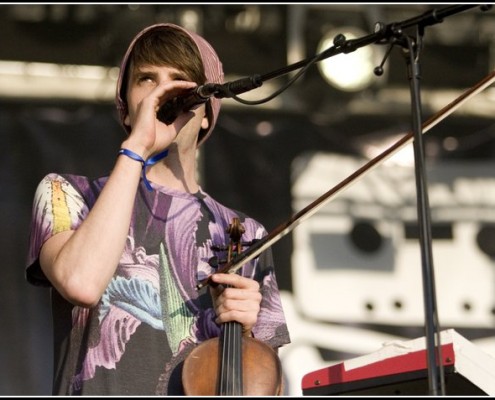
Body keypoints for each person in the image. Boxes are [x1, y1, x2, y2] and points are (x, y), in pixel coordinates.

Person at [25, 22, 291, 395]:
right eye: (147, 79)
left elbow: (270, 388)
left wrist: (247, 333)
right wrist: (137, 148)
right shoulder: (67, 193)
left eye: (180, 80)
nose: (163, 94)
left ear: (207, 112)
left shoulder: (247, 234)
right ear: (126, 108)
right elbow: (81, 283)